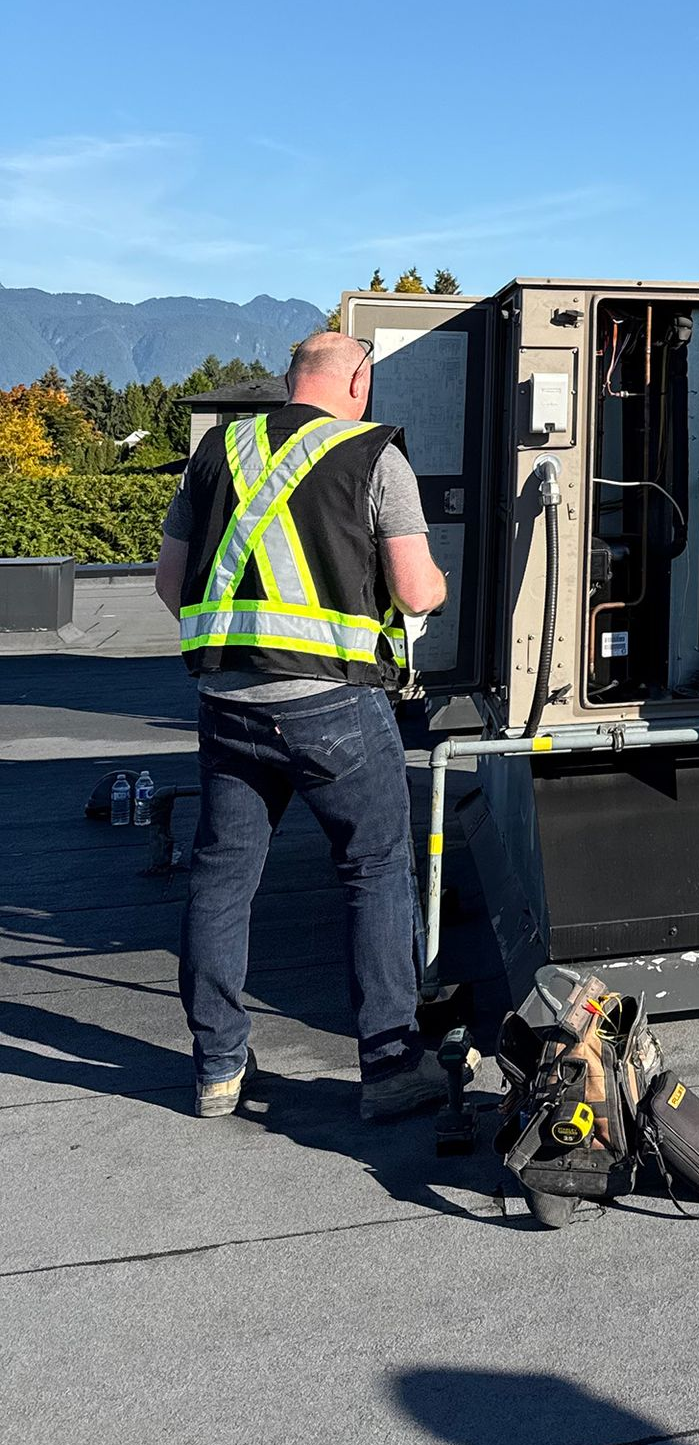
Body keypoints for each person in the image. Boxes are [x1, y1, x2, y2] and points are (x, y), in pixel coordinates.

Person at [154, 333, 450, 1121]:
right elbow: (416, 592)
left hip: (227, 702)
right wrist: (439, 586)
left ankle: (218, 1067)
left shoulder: (217, 452)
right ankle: (391, 1071)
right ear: (359, 382)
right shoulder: (373, 453)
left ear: (291, 381)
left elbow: (170, 584)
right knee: (375, 870)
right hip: (334, 708)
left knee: (223, 879)